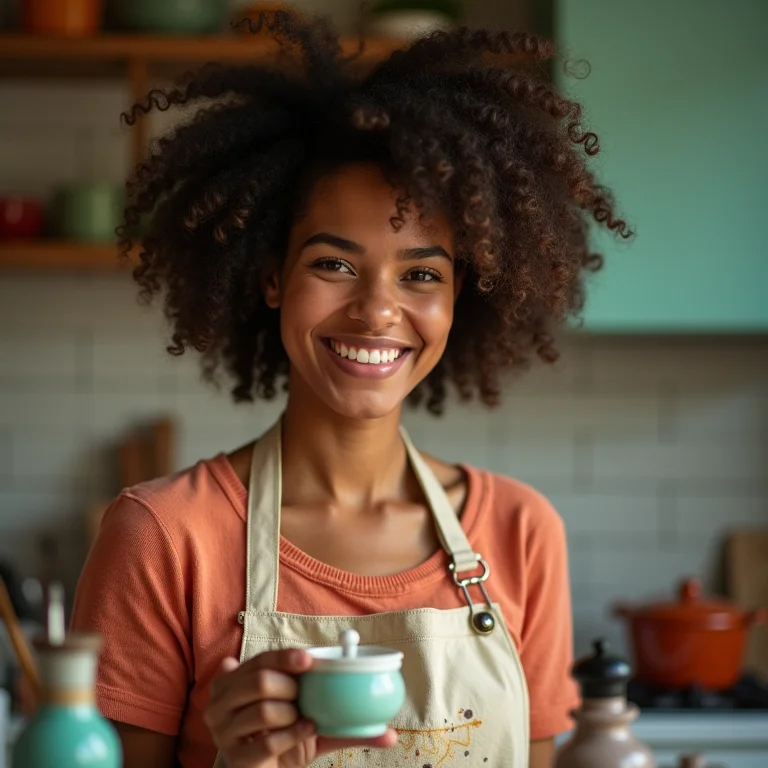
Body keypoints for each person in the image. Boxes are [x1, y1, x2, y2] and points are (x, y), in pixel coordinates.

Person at [70, 10, 631, 768]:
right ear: (272, 276)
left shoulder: (523, 534)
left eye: (422, 274)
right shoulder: (162, 537)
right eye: (333, 264)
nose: (376, 310)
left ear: (464, 296)